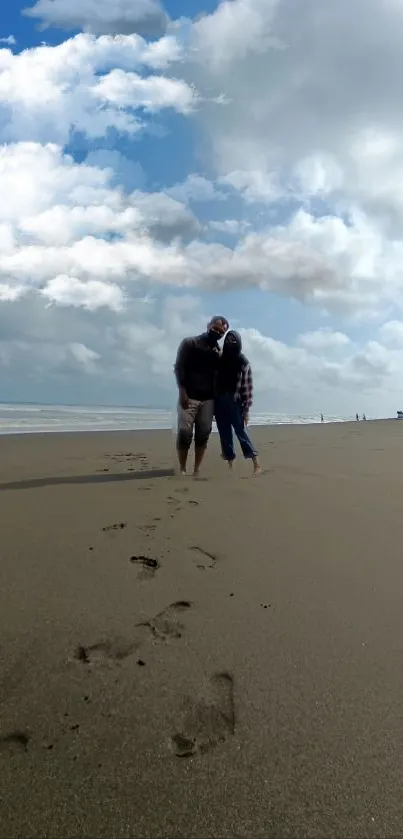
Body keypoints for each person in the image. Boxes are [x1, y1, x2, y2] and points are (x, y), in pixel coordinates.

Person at [174, 316, 229, 476]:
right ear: (208, 326)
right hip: (189, 395)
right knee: (184, 432)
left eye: (221, 332)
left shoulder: (218, 353)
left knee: (203, 433)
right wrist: (182, 390)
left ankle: (197, 469)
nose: (217, 332)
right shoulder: (190, 343)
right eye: (215, 328)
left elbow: (222, 378)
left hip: (208, 399)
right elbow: (179, 367)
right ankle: (183, 468)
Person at [215, 330, 260, 475]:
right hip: (220, 401)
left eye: (234, 340)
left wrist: (246, 410)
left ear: (239, 342)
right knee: (225, 434)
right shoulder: (220, 359)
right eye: (228, 339)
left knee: (241, 432)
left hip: (235, 402)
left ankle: (256, 464)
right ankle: (230, 465)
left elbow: (247, 388)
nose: (230, 342)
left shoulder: (242, 361)